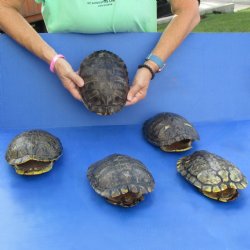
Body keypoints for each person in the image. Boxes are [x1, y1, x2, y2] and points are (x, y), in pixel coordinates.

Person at [0, 0, 200, 105]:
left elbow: (189, 10)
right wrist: (53, 60)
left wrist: (152, 65)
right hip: (60, 84)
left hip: (145, 85)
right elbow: (3, 7)